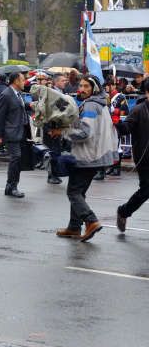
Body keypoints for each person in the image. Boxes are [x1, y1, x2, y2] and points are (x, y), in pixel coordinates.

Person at [50, 75, 117, 242]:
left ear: (94, 88)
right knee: (78, 192)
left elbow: (85, 132)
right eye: (81, 85)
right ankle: (74, 227)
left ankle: (91, 220)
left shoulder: (90, 105)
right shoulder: (99, 103)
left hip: (87, 156)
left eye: (87, 86)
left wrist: (62, 132)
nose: (82, 89)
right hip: (93, 155)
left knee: (73, 192)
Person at [116, 78, 149, 233]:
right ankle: (124, 211)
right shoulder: (139, 110)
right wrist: (117, 122)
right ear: (147, 93)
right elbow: (126, 128)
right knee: (146, 191)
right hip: (145, 157)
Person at [0, 72, 31, 198]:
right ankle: (11, 186)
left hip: (21, 131)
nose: (25, 82)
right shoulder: (5, 95)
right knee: (16, 158)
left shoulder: (17, 94)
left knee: (19, 159)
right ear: (16, 81)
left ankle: (12, 186)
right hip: (11, 133)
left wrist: (29, 105)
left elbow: (18, 106)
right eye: (22, 80)